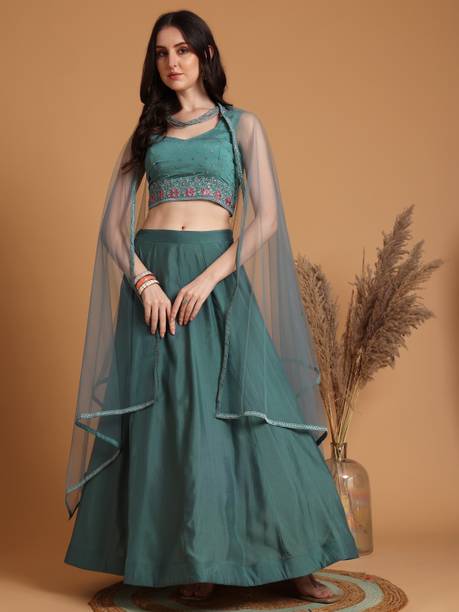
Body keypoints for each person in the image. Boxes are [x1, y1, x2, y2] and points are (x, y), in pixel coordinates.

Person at [63, 9, 359, 605]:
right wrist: (144, 282)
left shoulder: (240, 126)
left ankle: (296, 561)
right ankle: (190, 558)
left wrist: (209, 277)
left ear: (206, 55)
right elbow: (113, 227)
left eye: (182, 50)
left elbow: (265, 218)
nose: (171, 62)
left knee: (254, 414)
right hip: (154, 280)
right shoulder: (146, 132)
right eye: (161, 53)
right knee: (171, 420)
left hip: (214, 277)